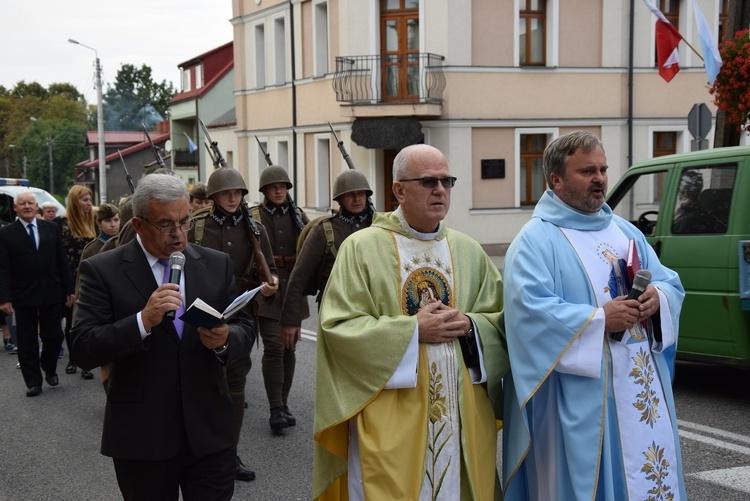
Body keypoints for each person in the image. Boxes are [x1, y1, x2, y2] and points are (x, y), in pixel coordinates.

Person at [313, 144, 507, 500]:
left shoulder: (468, 250)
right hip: (392, 420)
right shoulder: (361, 248)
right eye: (428, 181)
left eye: (447, 181)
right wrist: (412, 331)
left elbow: (501, 320)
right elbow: (339, 328)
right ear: (399, 190)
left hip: (461, 415)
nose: (440, 190)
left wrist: (469, 326)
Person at [501, 130, 686, 500]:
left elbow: (669, 282)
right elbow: (529, 314)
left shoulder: (624, 230)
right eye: (587, 171)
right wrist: (599, 319)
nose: (600, 178)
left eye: (602, 169)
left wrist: (657, 298)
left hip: (639, 387)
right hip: (582, 397)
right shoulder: (535, 241)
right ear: (555, 179)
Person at [70, 174, 256, 501]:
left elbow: (244, 327)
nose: (178, 234)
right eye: (166, 225)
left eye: (184, 221)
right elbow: (83, 347)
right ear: (139, 225)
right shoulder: (103, 270)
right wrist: (143, 320)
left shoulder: (216, 264)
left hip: (209, 431)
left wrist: (225, 339)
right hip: (142, 436)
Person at [188, 166, 278, 482]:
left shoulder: (256, 229)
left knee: (235, 382)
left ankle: (229, 453)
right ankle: (198, 451)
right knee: (200, 382)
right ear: (213, 196)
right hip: (200, 313)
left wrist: (269, 285)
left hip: (239, 315)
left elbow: (269, 267)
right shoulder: (196, 227)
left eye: (237, 192)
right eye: (226, 192)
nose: (232, 197)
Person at [249, 165, 309, 432]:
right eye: (274, 187)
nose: (279, 190)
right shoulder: (254, 217)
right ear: (264, 190)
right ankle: (275, 408)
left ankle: (283, 404)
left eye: (283, 186)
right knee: (273, 346)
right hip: (266, 288)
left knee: (289, 348)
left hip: (292, 287)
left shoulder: (298, 216)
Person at [280, 169, 374, 339]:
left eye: (361, 193)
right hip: (335, 307)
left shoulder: (377, 225)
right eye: (350, 194)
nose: (357, 199)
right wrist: (291, 320)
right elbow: (299, 276)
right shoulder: (324, 230)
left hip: (373, 307)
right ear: (339, 199)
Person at [0, 191, 75, 397]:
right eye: (22, 204)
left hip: (52, 292)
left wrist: (69, 289)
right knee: (27, 340)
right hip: (23, 294)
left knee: (55, 335)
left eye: (30, 203)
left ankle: (49, 368)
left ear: (36, 207)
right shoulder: (7, 233)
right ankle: (33, 381)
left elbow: (62, 260)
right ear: (15, 208)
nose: (27, 207)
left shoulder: (51, 228)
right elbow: (3, 267)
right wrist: (4, 297)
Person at [54, 185, 96, 379]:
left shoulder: (94, 221)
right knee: (72, 321)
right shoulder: (59, 224)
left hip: (92, 277)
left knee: (90, 320)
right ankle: (73, 358)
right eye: (84, 199)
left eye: (89, 199)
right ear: (74, 201)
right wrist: (66, 286)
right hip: (70, 278)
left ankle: (87, 362)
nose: (89, 203)